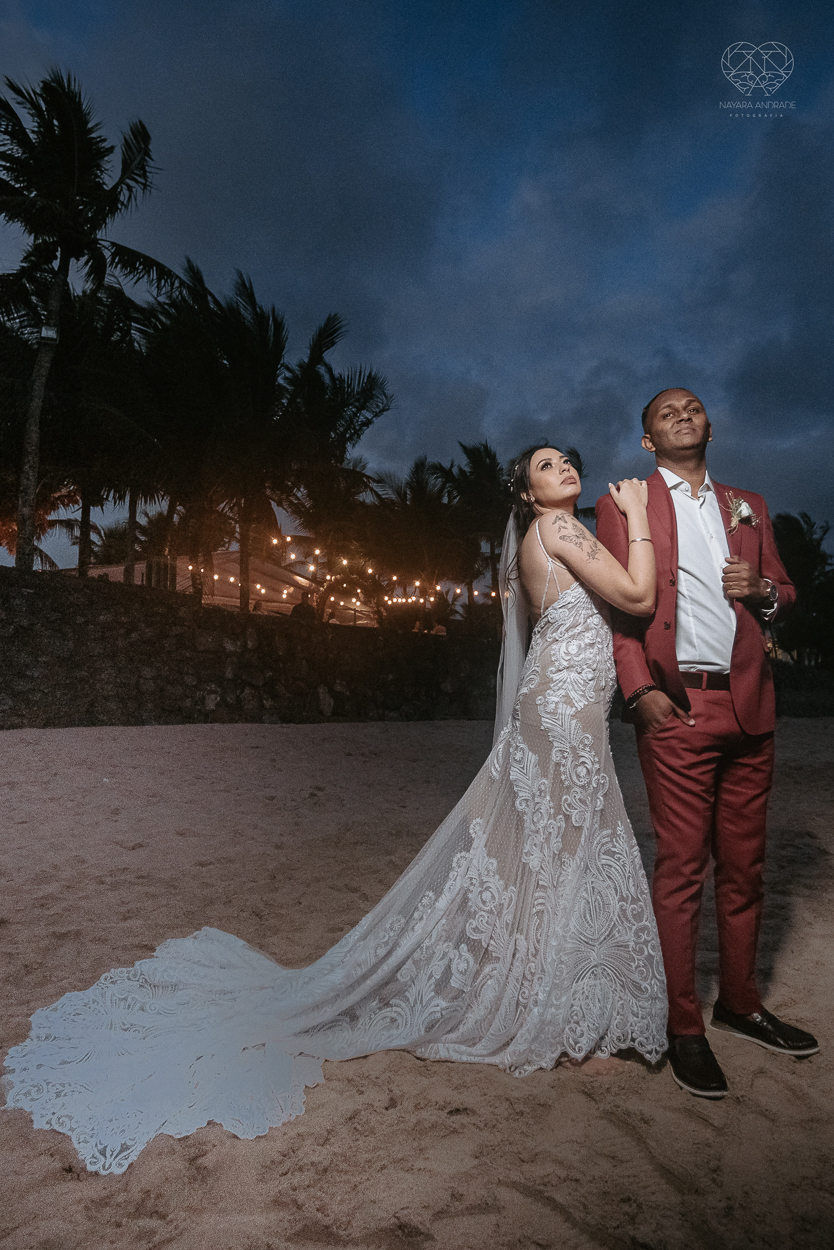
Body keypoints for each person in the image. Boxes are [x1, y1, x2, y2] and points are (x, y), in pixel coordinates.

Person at [3, 444, 667, 1176]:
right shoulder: (562, 530)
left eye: (568, 461)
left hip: (563, 707)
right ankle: (564, 1024)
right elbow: (636, 598)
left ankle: (560, 1003)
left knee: (549, 852)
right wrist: (637, 514)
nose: (564, 470)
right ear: (527, 491)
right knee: (564, 851)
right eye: (547, 466)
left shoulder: (550, 538)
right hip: (566, 713)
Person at [595, 388, 819, 1100]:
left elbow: (786, 591)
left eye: (693, 407)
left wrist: (764, 591)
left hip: (751, 705)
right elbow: (615, 609)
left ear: (711, 427)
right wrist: (639, 693)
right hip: (676, 705)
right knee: (682, 867)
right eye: (666, 412)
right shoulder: (625, 504)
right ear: (648, 442)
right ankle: (683, 1024)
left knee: (746, 867)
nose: (683, 414)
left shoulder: (748, 503)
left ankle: (742, 1002)